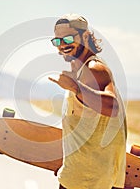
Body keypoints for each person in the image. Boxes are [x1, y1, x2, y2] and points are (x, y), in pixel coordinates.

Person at [48, 14, 127, 189]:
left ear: (85, 36)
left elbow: (112, 106)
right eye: (57, 41)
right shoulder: (80, 71)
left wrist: (76, 88)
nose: (62, 45)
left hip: (90, 182)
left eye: (68, 38)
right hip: (78, 177)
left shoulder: (94, 69)